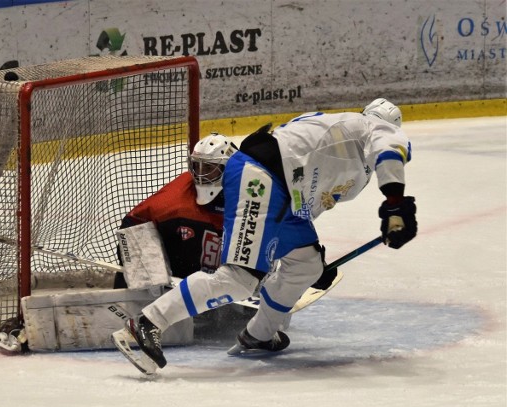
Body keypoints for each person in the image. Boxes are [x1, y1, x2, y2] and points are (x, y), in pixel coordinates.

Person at [112, 98, 417, 371]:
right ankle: (147, 322)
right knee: (239, 278)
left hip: (285, 197)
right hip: (260, 177)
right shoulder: (372, 127)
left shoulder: (350, 155)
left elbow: (310, 189)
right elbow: (389, 149)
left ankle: (258, 335)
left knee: (307, 265)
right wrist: (395, 205)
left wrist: (307, 247)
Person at [112, 133, 235, 289]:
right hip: (176, 283)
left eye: (209, 167)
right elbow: (134, 223)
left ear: (228, 170)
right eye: (197, 166)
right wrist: (151, 273)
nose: (200, 174)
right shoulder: (178, 199)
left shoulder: (247, 198)